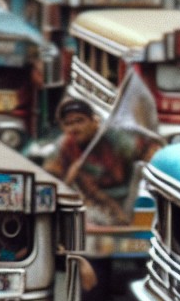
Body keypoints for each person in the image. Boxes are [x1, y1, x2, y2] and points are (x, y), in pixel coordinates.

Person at [41, 98, 153, 228]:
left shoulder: (114, 138)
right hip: (87, 209)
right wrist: (69, 177)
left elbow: (147, 152)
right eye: (68, 123)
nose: (74, 128)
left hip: (124, 200)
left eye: (80, 121)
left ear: (94, 122)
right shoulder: (63, 147)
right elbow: (48, 187)